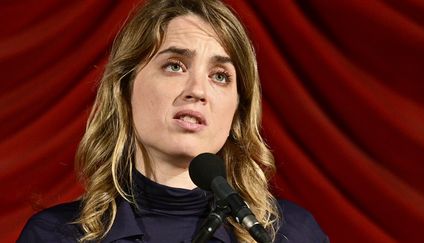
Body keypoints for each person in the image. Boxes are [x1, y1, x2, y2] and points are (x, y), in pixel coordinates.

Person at [18, 0, 329, 242]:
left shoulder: (291, 235)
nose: (197, 91)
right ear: (125, 88)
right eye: (175, 66)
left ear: (238, 109)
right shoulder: (54, 236)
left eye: (220, 76)